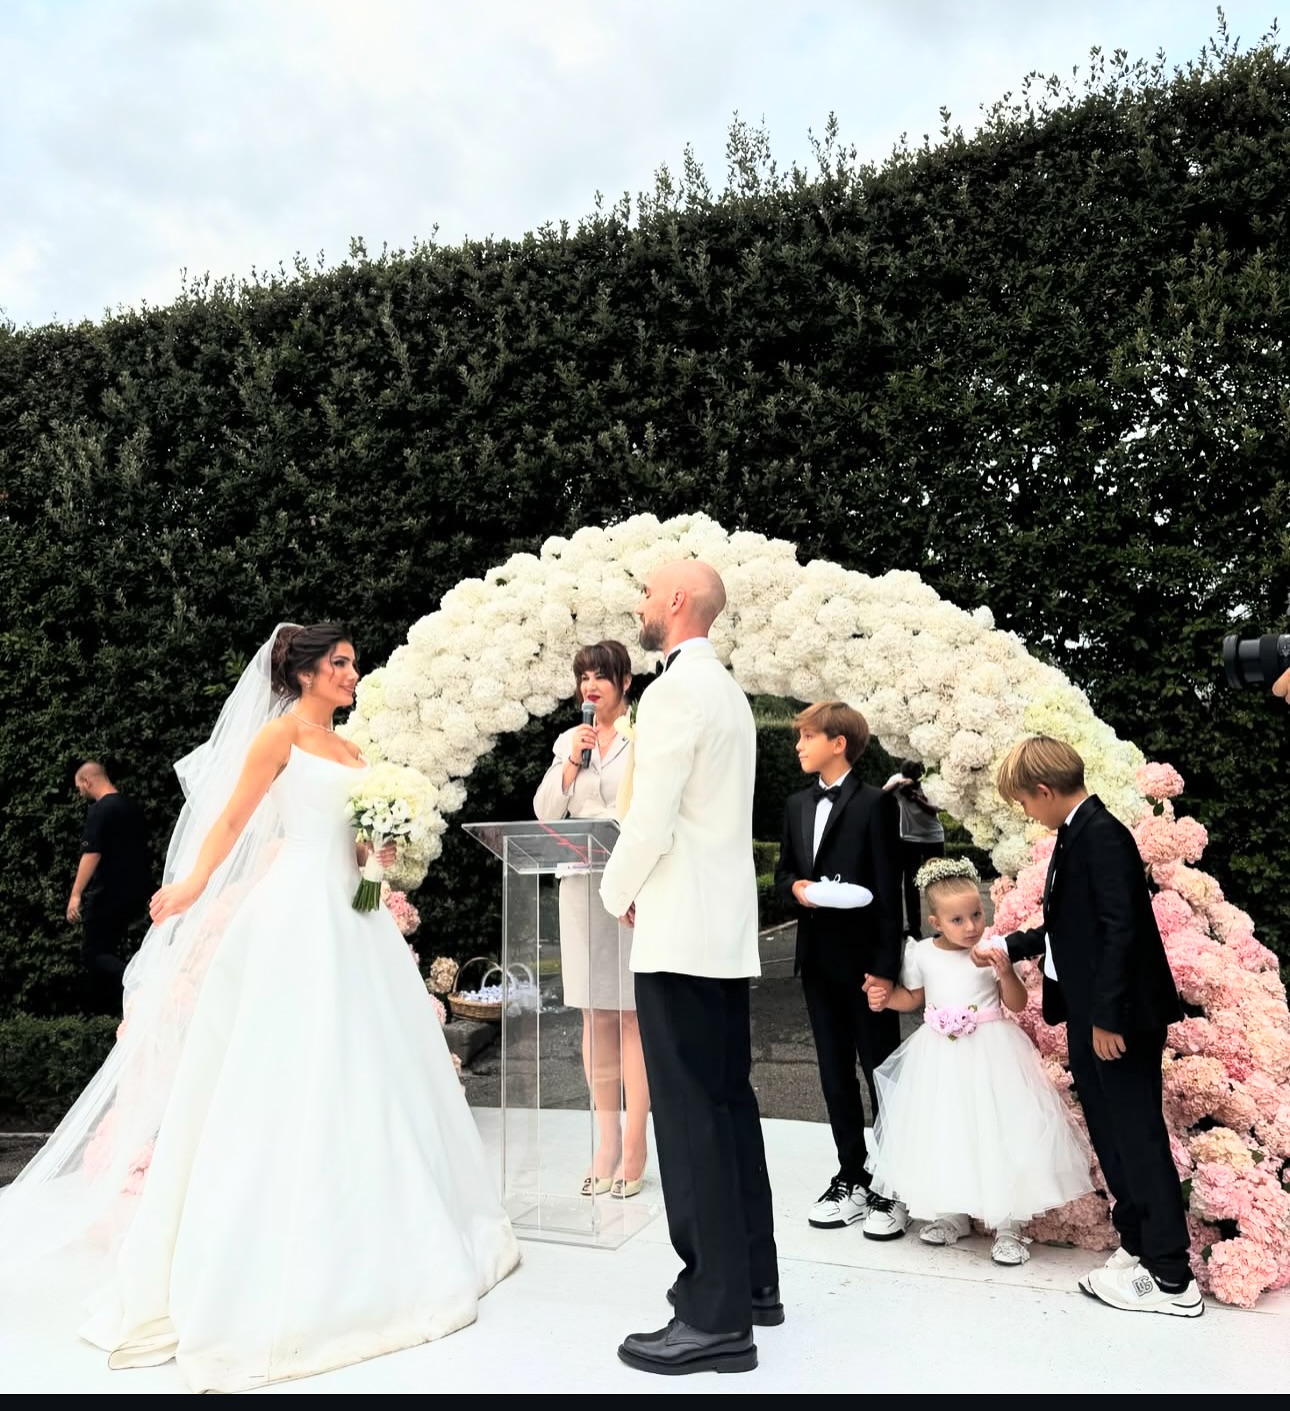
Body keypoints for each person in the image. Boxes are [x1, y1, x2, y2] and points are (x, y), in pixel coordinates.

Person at [0, 623, 518, 1392]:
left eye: (353, 663)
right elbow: (231, 820)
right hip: (293, 918)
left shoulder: (355, 752)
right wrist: (189, 886)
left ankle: (375, 1228)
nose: (352, 673)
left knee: (367, 1069)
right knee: (285, 1064)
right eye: (340, 663)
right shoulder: (280, 737)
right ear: (305, 671)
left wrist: (380, 859)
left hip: (354, 918)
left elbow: (360, 862)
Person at [599, 561, 777, 1377]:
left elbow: (651, 817)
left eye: (647, 592)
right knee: (728, 1105)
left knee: (690, 1117)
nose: (639, 604)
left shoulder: (675, 692)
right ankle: (754, 1285)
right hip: (722, 931)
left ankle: (713, 1317)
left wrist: (615, 892)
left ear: (675, 603)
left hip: (677, 931)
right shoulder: (728, 692)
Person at [972, 735, 1201, 1316]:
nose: (1027, 813)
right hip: (1090, 1012)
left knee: (1136, 1136)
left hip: (1116, 1019)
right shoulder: (1077, 832)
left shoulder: (1102, 836)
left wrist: (1106, 1017)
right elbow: (1069, 926)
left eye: (1024, 802)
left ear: (1044, 790)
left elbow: (1123, 930)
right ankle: (1139, 1244)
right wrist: (1011, 945)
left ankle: (1172, 1278)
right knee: (1111, 1133)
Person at [864, 857, 1093, 1265]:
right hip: (939, 1058)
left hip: (992, 1054)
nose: (971, 926)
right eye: (957, 920)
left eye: (976, 914)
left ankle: (1008, 1225)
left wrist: (1005, 972)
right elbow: (913, 999)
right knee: (948, 1130)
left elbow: (1016, 1004)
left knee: (998, 1132)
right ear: (935, 922)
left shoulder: (991, 951)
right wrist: (885, 999)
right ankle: (953, 1214)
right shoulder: (922, 954)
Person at [773, 702, 907, 1240]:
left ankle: (894, 1182)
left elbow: (888, 891)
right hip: (817, 964)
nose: (798, 746)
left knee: (881, 1072)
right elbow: (783, 873)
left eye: (808, 736)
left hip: (866, 968)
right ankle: (852, 1174)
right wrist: (797, 888)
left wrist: (885, 971)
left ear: (838, 743)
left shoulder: (876, 804)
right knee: (833, 1074)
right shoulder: (795, 805)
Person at [533, 639, 650, 1200]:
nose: (590, 686)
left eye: (601, 675)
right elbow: (544, 812)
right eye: (583, 677)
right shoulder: (569, 741)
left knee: (630, 1015)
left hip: (629, 888)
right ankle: (605, 1143)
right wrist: (571, 763)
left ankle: (636, 1144)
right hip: (579, 885)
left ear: (624, 682)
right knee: (593, 1015)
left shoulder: (642, 736)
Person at [67, 762, 152, 1012]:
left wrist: (75, 894)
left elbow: (91, 853)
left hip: (108, 893)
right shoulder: (132, 806)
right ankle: (123, 1007)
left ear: (87, 781)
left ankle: (140, 985)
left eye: (79, 787)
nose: (80, 792)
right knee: (114, 949)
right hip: (138, 892)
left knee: (94, 953)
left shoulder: (101, 810)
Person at [881, 759, 944, 938]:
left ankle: (943, 926)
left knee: (938, 882)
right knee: (911, 884)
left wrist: (916, 798)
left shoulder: (929, 784)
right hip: (909, 839)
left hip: (933, 838)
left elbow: (934, 810)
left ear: (920, 776)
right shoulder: (898, 780)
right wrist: (898, 785)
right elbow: (881, 795)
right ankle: (913, 928)